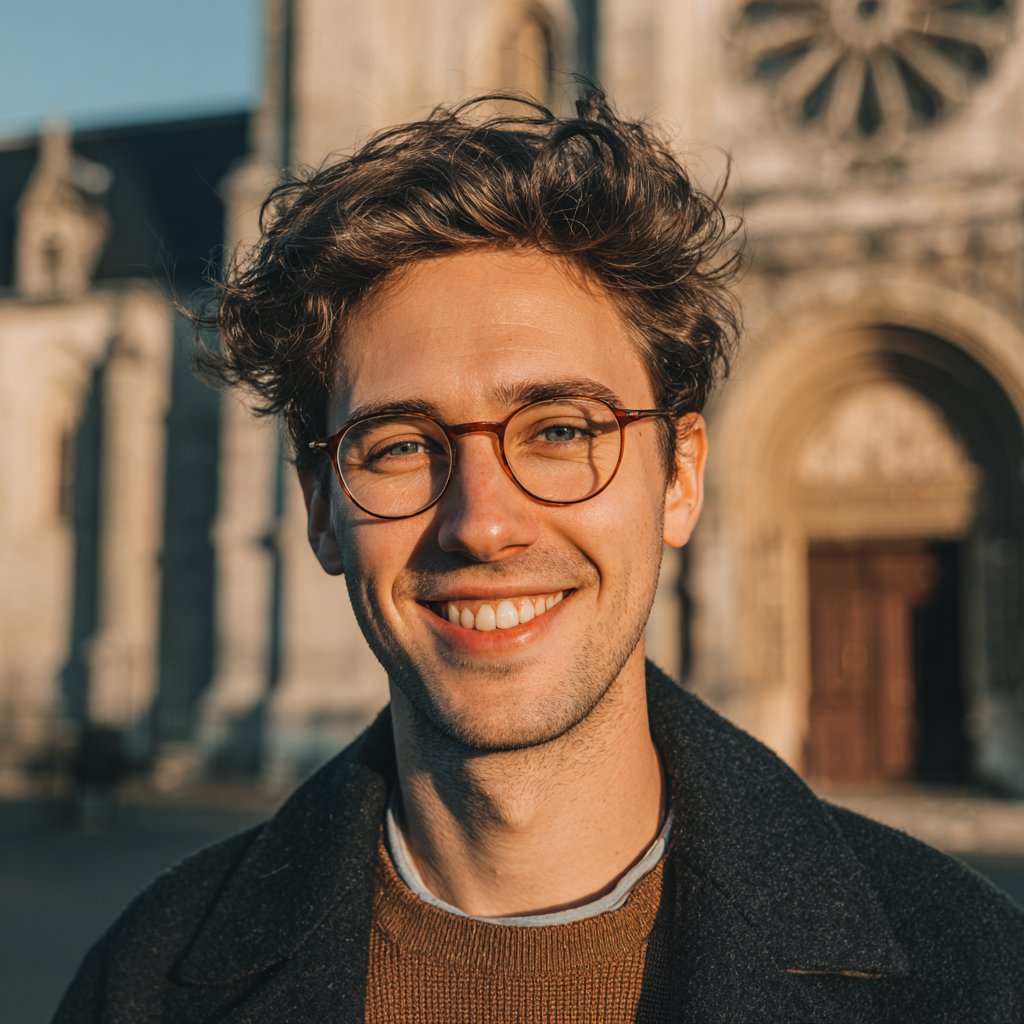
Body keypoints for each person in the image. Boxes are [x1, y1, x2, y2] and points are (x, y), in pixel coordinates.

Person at [55, 91, 1023, 1024]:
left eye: (560, 429)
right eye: (398, 445)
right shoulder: (145, 983)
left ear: (680, 476)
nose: (482, 522)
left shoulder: (972, 975)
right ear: (317, 510)